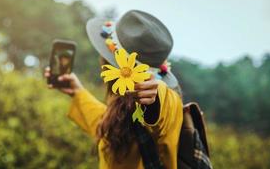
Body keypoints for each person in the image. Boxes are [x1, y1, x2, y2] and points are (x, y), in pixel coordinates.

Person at [44, 10, 183, 169]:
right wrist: (77, 91)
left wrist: (156, 96)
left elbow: (165, 112)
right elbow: (107, 128)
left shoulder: (169, 102)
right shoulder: (122, 101)